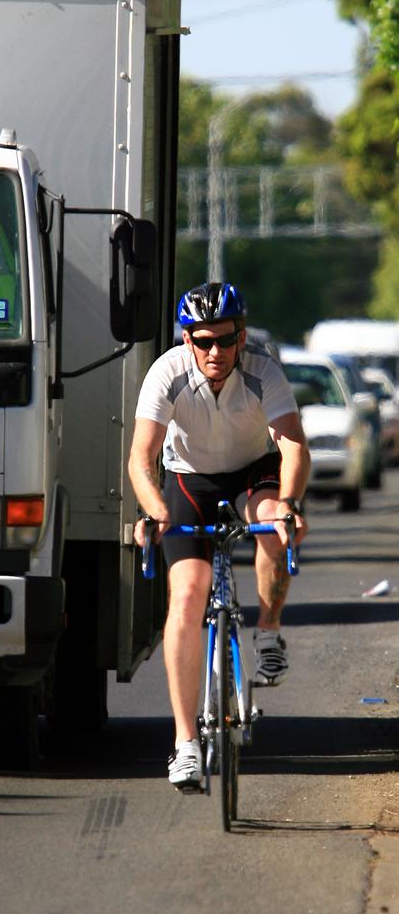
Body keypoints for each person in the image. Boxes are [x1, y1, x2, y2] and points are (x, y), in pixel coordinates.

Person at [128, 281, 310, 789]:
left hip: (254, 469)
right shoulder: (166, 372)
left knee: (272, 523)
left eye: (225, 341)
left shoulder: (263, 372)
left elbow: (293, 446)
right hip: (190, 477)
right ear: (187, 340)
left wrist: (290, 506)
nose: (215, 352)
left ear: (241, 336)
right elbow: (142, 457)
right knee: (186, 597)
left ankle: (269, 630)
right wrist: (156, 508)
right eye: (202, 340)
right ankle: (185, 743)